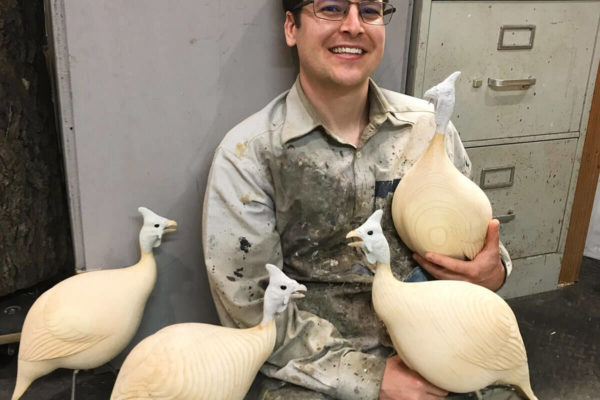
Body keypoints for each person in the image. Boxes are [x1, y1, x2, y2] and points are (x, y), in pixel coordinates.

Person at [202, 1, 517, 399]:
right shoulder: (250, 155)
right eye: (331, 8)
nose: (354, 26)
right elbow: (250, 306)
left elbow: (475, 243)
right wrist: (371, 376)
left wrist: (493, 271)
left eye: (369, 10)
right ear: (291, 27)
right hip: (313, 373)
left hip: (438, 350)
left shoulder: (428, 130)